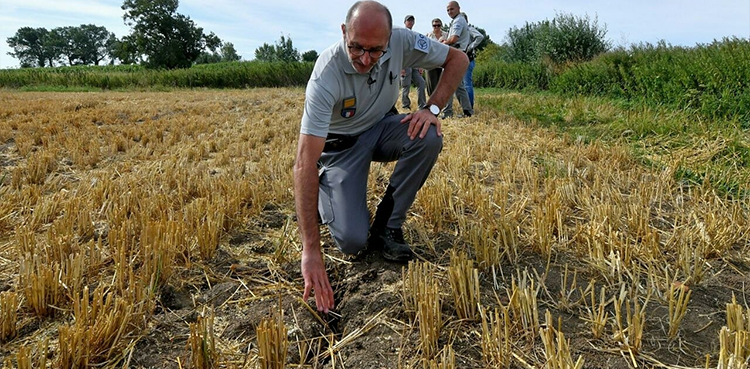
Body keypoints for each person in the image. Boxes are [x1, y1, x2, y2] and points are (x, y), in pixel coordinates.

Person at [294, 0, 468, 313]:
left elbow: (458, 58)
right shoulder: (326, 74)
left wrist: (432, 107)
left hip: (381, 127)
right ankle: (328, 191)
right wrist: (311, 250)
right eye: (356, 47)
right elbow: (304, 162)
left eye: (376, 51)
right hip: (340, 147)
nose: (364, 59)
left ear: (390, 40)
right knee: (352, 242)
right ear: (344, 32)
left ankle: (388, 225)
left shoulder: (403, 40)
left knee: (428, 135)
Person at [441, 1, 473, 118]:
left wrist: (443, 42)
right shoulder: (458, 20)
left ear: (458, 8)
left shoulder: (458, 21)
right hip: (460, 55)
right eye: (448, 10)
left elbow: (454, 39)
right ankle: (468, 111)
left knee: (447, 83)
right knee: (458, 86)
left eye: (451, 9)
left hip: (455, 55)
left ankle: (447, 112)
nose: (449, 12)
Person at [400, 15, 427, 111]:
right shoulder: (401, 35)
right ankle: (405, 105)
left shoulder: (416, 35)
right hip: (405, 64)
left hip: (414, 64)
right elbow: (400, 51)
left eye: (412, 21)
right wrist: (401, 67)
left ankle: (422, 106)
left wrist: (420, 66)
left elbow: (418, 51)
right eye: (408, 20)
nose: (410, 22)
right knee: (406, 85)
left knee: (421, 83)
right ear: (405, 22)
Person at [461, 12, 485, 109]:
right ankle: (467, 106)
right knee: (464, 84)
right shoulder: (462, 31)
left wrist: (470, 47)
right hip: (464, 60)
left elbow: (480, 36)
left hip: (468, 59)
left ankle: (469, 107)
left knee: (467, 84)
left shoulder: (468, 29)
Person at [425, 18, 446, 96]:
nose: (436, 27)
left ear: (441, 25)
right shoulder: (428, 36)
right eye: (434, 25)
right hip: (431, 63)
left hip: (442, 62)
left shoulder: (446, 35)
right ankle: (431, 104)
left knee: (441, 85)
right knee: (431, 86)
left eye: (438, 25)